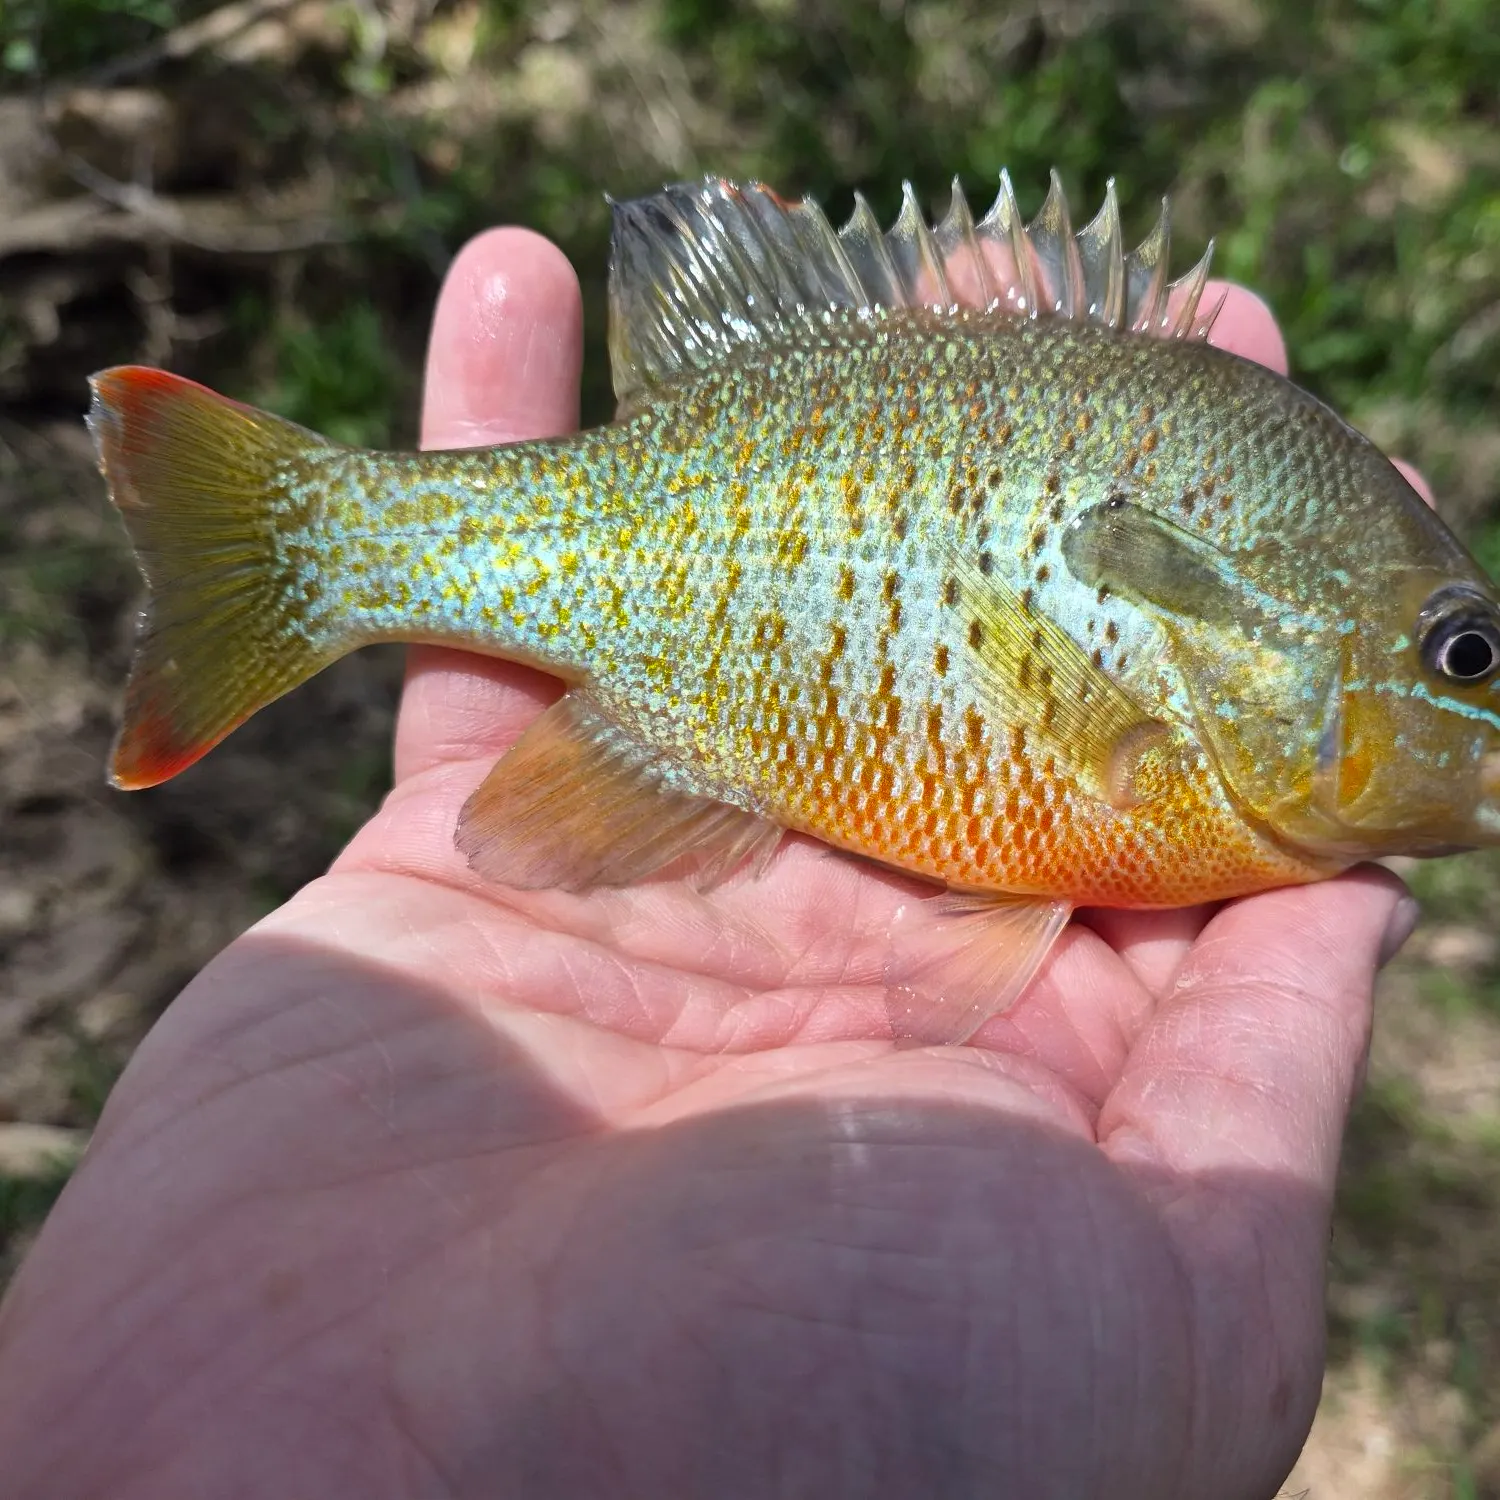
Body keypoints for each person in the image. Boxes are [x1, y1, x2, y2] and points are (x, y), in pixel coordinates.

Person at [0, 226, 1421, 1499]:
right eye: (1460, 657)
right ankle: (302, 535)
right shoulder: (1206, 790)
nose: (1470, 701)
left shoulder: (1226, 788)